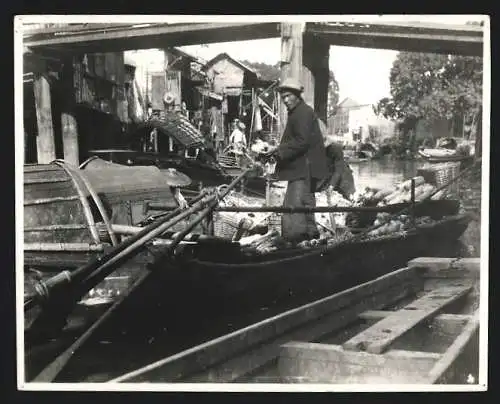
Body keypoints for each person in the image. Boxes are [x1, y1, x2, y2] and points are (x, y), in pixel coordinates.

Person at [262, 78, 328, 244]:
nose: (285, 100)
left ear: (297, 96)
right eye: (283, 97)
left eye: (288, 96)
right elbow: (299, 140)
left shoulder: (303, 113)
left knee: (294, 210)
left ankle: (298, 243)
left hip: (304, 169)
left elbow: (301, 141)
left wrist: (278, 152)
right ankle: (311, 240)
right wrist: (278, 150)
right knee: (304, 206)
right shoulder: (300, 112)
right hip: (303, 169)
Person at [316, 121, 356, 200]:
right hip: (324, 177)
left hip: (339, 178)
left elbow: (338, 170)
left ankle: (349, 197)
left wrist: (331, 186)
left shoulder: (335, 148)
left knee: (344, 173)